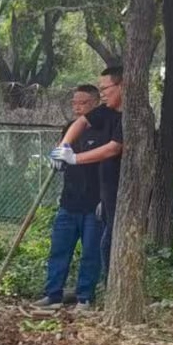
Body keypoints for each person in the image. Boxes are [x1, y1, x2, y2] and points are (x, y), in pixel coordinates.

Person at [39, 84, 116, 310]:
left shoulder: (105, 129)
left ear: (94, 103)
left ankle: (84, 296)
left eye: (82, 103)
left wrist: (106, 198)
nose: (77, 108)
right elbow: (61, 149)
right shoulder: (70, 128)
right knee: (59, 249)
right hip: (69, 201)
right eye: (74, 103)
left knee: (91, 253)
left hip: (95, 203)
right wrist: (56, 157)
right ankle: (53, 295)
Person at [53, 66, 125, 279]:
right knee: (105, 245)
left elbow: (114, 148)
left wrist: (75, 158)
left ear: (122, 85)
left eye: (106, 88)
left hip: (120, 194)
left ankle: (99, 294)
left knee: (105, 247)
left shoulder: (131, 116)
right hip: (102, 193)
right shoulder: (105, 112)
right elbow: (82, 122)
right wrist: (64, 146)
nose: (102, 93)